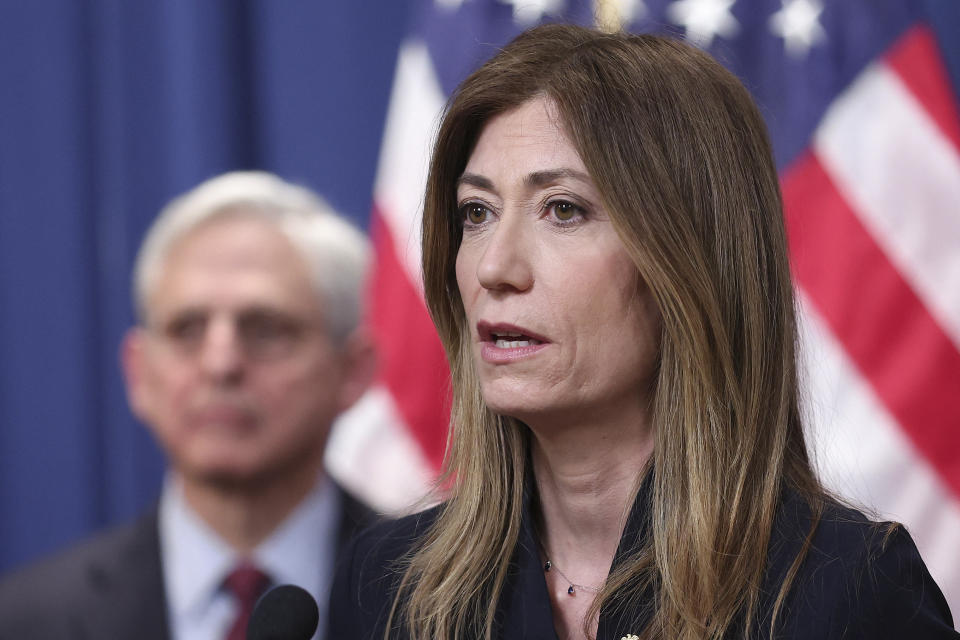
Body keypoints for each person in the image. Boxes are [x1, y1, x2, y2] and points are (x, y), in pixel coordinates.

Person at [328, 24, 957, 640]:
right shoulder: (388, 584)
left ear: (690, 263)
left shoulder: (851, 591)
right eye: (477, 212)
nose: (495, 267)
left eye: (563, 210)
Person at [0, 171, 377, 640]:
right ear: (139, 374)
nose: (221, 364)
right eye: (187, 329)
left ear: (353, 372)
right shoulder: (23, 621)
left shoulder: (444, 600)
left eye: (266, 329)